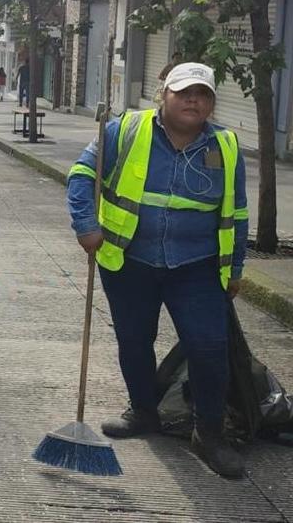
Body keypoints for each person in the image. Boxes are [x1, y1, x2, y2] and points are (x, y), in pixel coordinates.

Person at [67, 62, 249, 479]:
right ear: (162, 94)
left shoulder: (226, 145)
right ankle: (144, 411)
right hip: (130, 260)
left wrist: (235, 267)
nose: (193, 100)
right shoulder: (126, 130)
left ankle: (208, 432)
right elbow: (81, 175)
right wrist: (86, 226)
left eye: (202, 94)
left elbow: (237, 213)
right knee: (134, 340)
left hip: (198, 267)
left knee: (207, 347)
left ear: (211, 103)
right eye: (184, 92)